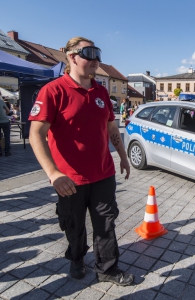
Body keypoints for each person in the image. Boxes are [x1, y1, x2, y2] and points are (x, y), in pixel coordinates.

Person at [29, 37, 134, 285]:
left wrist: (123, 156)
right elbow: (36, 135)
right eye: (89, 53)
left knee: (106, 224)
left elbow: (112, 128)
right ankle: (77, 259)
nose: (96, 59)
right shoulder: (53, 91)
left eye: (98, 54)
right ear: (71, 57)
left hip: (103, 173)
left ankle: (107, 268)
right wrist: (53, 174)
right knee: (73, 225)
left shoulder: (101, 92)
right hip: (69, 178)